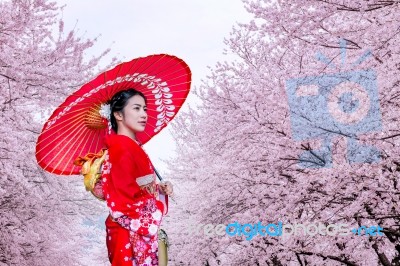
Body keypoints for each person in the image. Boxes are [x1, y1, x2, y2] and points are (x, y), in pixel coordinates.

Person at [101, 88, 173, 266]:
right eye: (136, 108)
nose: (144, 114)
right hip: (130, 231)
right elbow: (126, 198)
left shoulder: (130, 146)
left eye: (145, 109)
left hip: (132, 228)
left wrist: (158, 189)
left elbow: (137, 187)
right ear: (118, 114)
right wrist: (157, 202)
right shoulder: (121, 148)